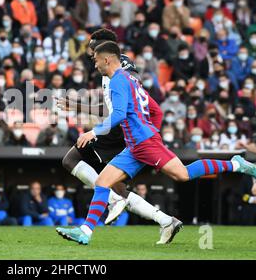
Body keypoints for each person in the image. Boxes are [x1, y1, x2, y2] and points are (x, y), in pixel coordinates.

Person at [56, 41, 256, 245]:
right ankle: (85, 232)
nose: (95, 65)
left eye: (96, 61)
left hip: (144, 143)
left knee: (183, 174)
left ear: (107, 59)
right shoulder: (129, 79)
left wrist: (93, 132)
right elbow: (153, 109)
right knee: (102, 183)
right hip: (135, 145)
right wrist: (149, 129)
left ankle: (235, 164)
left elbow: (118, 114)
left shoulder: (117, 81)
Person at [56, 29, 179, 244]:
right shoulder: (116, 68)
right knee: (116, 184)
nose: (90, 52)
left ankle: (112, 202)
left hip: (121, 130)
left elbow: (124, 108)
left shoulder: (118, 70)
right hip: (126, 128)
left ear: (106, 49)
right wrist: (78, 106)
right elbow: (113, 108)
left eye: (93, 47)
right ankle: (165, 220)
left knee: (71, 160)